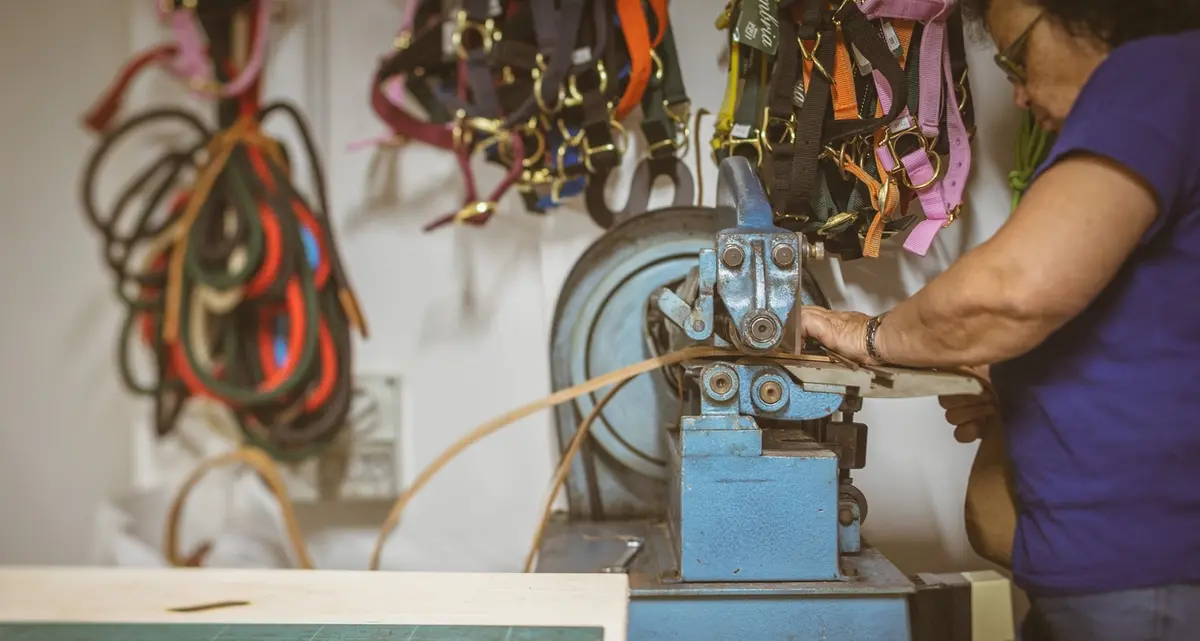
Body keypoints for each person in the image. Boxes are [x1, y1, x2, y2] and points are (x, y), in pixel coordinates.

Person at [799, 0, 1200, 639]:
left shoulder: (1158, 70)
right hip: (1108, 588)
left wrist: (872, 336)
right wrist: (1015, 389)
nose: (1017, 93)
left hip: (1148, 593)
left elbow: (1010, 292)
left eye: (1018, 59)